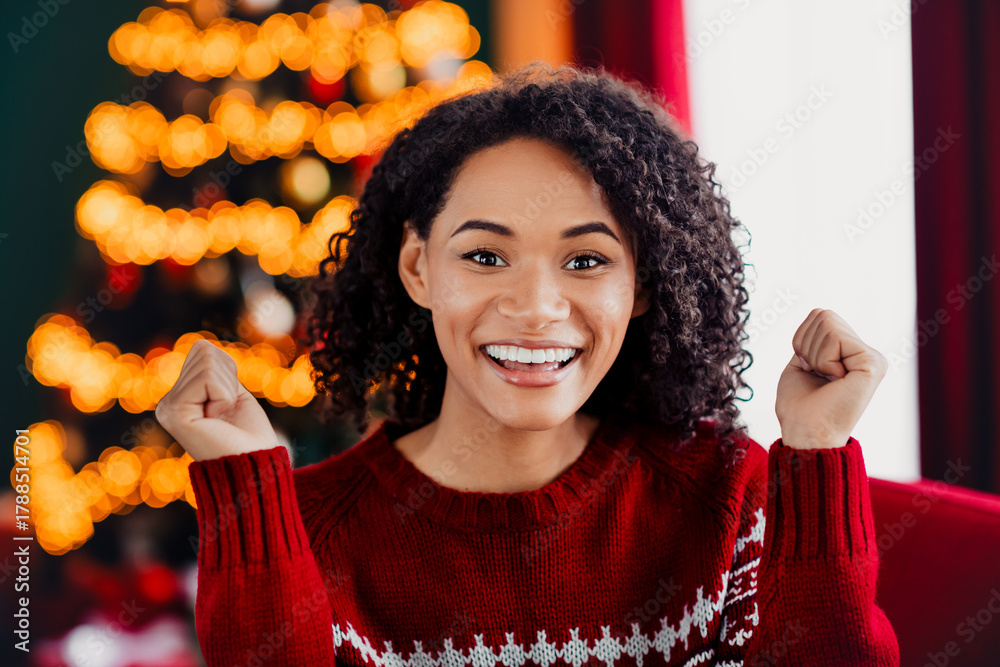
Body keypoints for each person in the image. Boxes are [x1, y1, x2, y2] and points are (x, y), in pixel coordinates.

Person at [155, 61, 900, 666]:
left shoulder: (733, 495)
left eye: (586, 259)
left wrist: (817, 452)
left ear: (641, 284)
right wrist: (248, 490)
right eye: (484, 255)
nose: (537, 305)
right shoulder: (306, 530)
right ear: (418, 268)